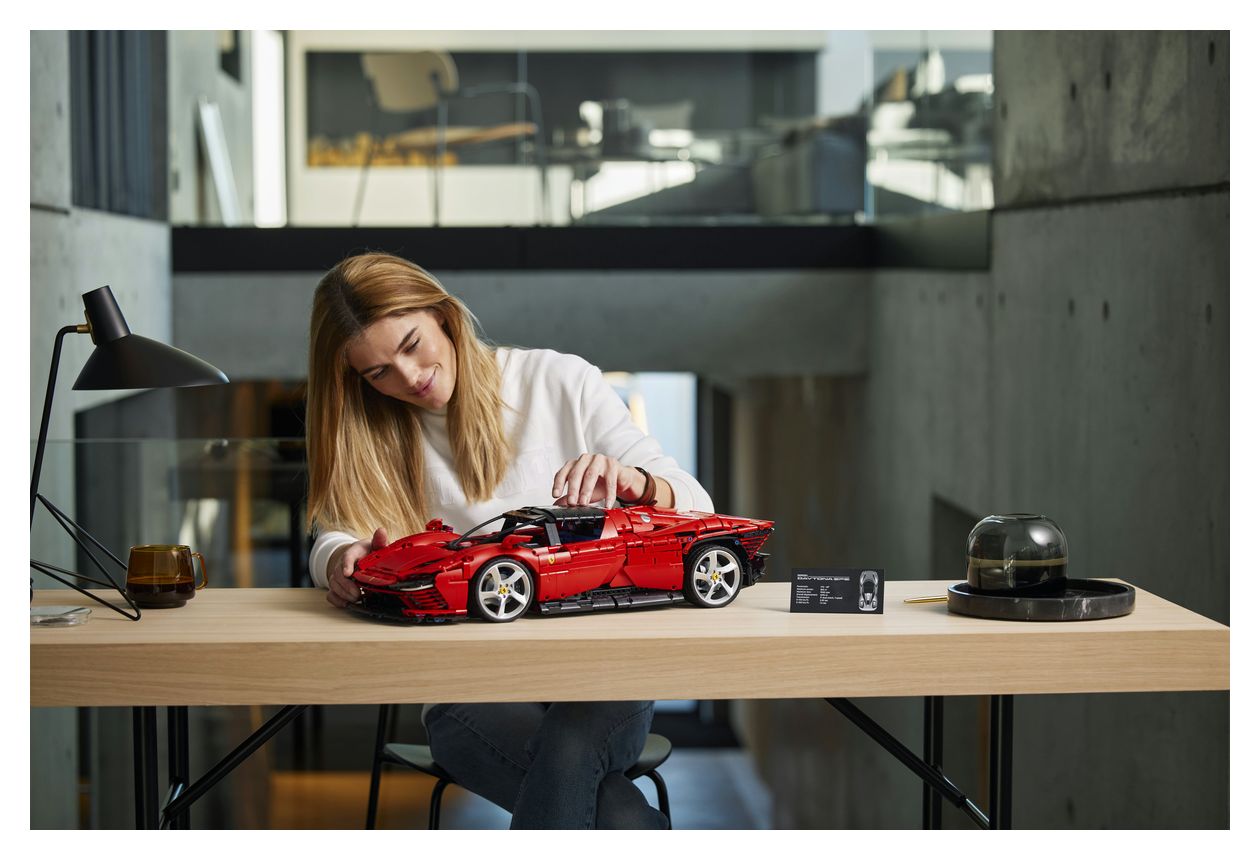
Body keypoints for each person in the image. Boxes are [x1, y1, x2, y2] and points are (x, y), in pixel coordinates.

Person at [305, 252, 713, 829]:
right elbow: (335, 536)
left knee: (576, 754)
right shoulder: (372, 431)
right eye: (378, 373)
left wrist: (639, 484)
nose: (408, 377)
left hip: (601, 673)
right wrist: (340, 559)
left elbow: (698, 504)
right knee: (616, 811)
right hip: (466, 685)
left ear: (443, 314)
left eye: (412, 344)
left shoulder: (557, 381)